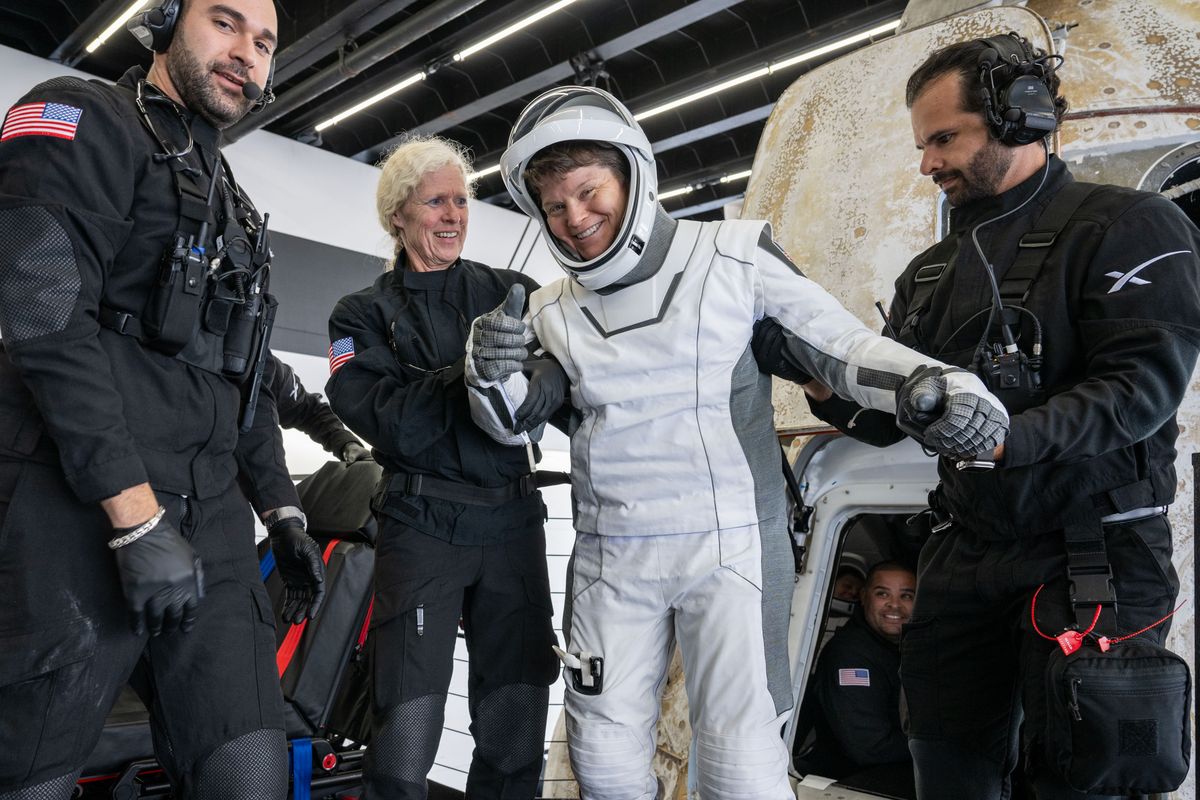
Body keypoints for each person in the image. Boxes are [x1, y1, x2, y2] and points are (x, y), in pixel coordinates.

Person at [463, 85, 1010, 799]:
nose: (575, 219)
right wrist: (489, 370)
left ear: (632, 174)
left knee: (740, 765)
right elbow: (514, 418)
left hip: (729, 551)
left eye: (589, 192)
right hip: (610, 558)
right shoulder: (548, 310)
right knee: (599, 763)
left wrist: (939, 387)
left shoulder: (732, 254)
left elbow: (840, 345)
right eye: (555, 206)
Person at [781, 33, 1200, 798]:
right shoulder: (931, 273)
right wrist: (817, 380)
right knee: (945, 768)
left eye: (945, 138)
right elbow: (887, 421)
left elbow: (1140, 391)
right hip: (966, 556)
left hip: (1092, 555)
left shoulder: (1129, 228)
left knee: (1087, 776)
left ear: (1020, 119)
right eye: (923, 144)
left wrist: (1010, 437)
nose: (927, 163)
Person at [0, 0, 327, 796]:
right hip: (72, 508)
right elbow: (40, 316)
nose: (245, 51)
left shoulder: (236, 206)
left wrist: (282, 511)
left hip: (210, 519)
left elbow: (240, 378)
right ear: (166, 20)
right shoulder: (78, 117)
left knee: (248, 770)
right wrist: (135, 516)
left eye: (264, 41)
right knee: (28, 773)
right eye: (224, 22)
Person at [324, 135, 558, 800]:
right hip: (422, 526)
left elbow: (564, 370)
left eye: (461, 200)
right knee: (404, 737)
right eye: (436, 202)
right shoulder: (360, 315)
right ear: (399, 213)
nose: (454, 215)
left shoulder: (513, 292)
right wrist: (471, 378)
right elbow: (378, 412)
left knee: (515, 732)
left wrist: (536, 382)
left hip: (512, 521)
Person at [799, 562, 915, 788]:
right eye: (882, 593)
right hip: (845, 781)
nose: (895, 605)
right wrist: (938, 745)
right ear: (863, 597)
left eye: (906, 596)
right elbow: (869, 748)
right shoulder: (851, 655)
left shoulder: (899, 649)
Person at [264, 353, 369, 462]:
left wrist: (347, 443)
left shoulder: (270, 369)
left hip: (275, 474)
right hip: (261, 474)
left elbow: (309, 411)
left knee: (369, 470)